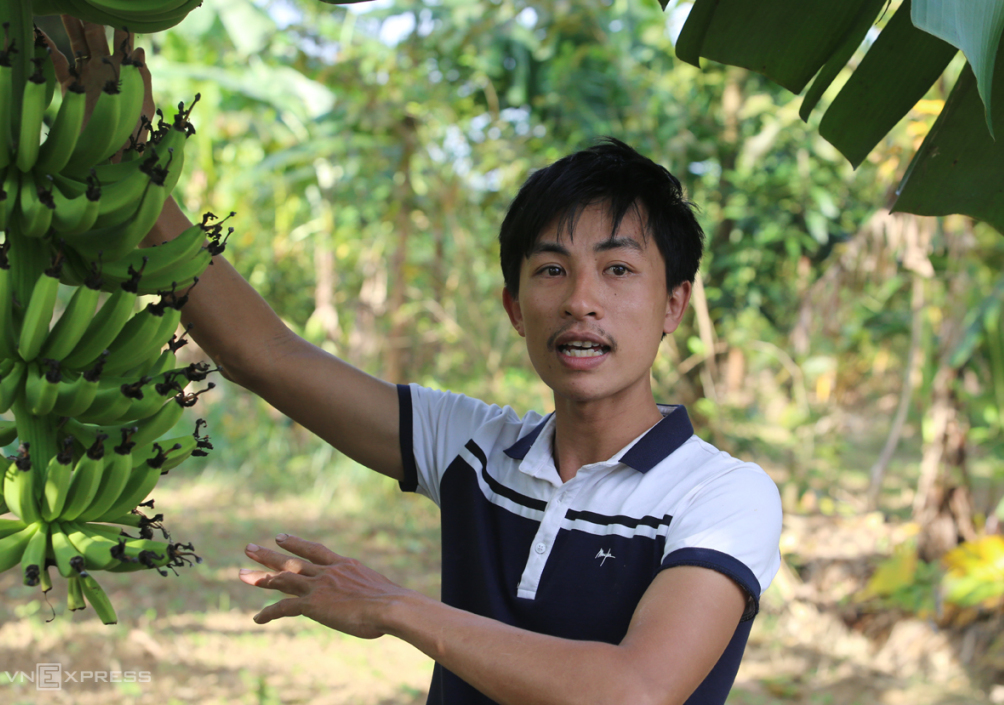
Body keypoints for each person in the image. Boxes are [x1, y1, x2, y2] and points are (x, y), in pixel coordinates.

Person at [54, 20, 782, 705]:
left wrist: (396, 607)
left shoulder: (720, 495)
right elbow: (263, 354)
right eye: (552, 270)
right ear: (513, 306)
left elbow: (635, 689)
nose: (581, 301)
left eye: (618, 271)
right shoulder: (474, 448)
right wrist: (132, 173)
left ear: (673, 306)